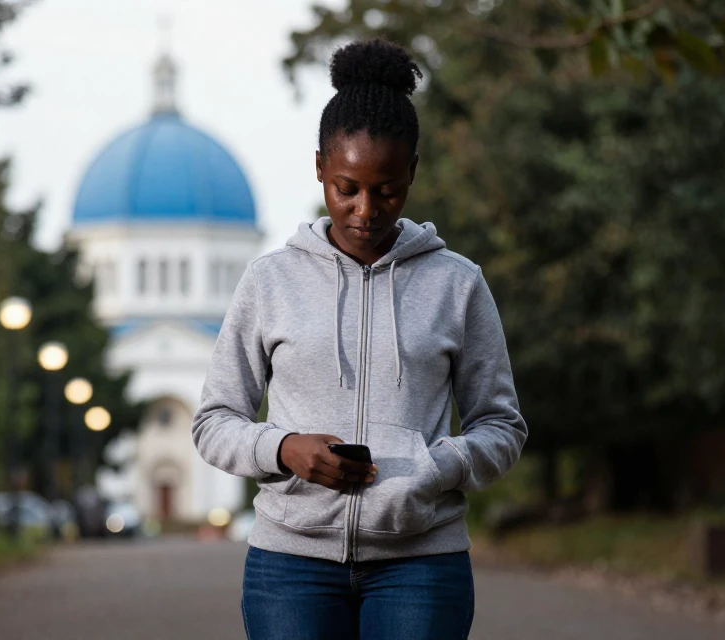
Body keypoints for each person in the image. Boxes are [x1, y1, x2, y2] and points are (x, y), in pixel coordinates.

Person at [192, 37, 528, 640]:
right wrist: (283, 448)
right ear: (320, 167)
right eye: (347, 187)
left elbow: (502, 426)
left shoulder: (458, 284)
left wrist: (437, 465)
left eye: (388, 190)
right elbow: (214, 420)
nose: (366, 209)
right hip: (289, 565)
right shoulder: (271, 281)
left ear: (412, 175)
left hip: (421, 563)